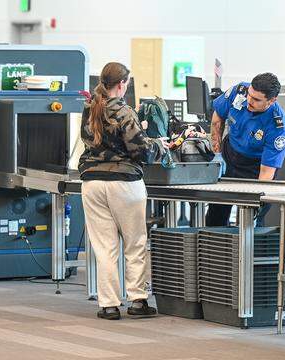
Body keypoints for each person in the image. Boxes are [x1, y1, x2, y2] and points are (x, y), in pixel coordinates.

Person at [79, 62, 166, 320]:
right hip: (124, 183)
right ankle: (138, 301)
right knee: (135, 243)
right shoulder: (124, 111)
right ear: (122, 84)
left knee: (104, 246)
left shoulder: (89, 106)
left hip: (92, 182)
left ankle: (108, 305)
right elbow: (140, 151)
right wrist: (161, 145)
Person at [205, 73, 285, 226]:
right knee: (215, 214)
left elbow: (266, 174)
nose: (249, 101)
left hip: (255, 168)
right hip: (228, 156)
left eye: (257, 99)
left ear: (272, 101)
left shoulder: (278, 128)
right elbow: (217, 119)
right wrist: (217, 154)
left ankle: (251, 246)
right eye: (250, 95)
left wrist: (256, 199)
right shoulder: (239, 91)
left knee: (251, 219)